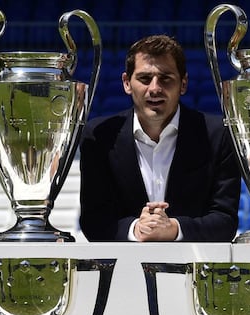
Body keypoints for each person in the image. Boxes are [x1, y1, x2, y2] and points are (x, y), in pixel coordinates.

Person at [78, 35, 240, 242]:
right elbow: (94, 220)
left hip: (193, 268)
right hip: (123, 271)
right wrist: (136, 229)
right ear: (127, 83)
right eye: (144, 78)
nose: (155, 88)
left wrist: (173, 228)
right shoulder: (100, 135)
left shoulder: (218, 134)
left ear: (183, 84)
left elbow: (225, 221)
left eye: (165, 78)